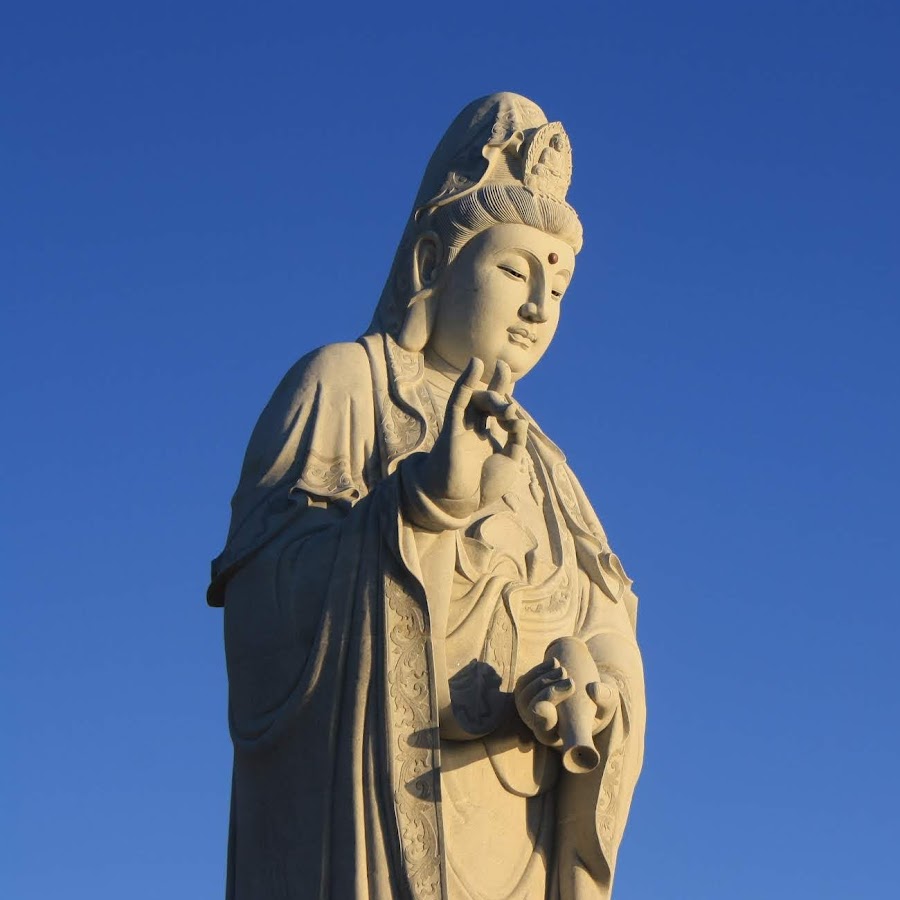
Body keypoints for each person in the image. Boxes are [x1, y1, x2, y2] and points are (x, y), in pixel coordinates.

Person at [209, 92, 645, 900]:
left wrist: (599, 689)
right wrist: (421, 507)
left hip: (515, 831)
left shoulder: (550, 467)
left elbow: (608, 618)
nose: (538, 307)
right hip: (373, 827)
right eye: (514, 270)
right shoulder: (347, 386)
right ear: (432, 263)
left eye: (559, 286)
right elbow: (262, 610)